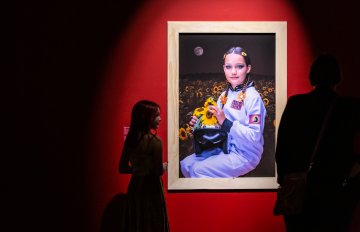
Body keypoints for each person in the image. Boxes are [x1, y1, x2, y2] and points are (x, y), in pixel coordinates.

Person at [275, 54, 360, 231]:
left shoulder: (296, 104)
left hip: (300, 188)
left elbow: (282, 145)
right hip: (335, 187)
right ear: (338, 77)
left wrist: (284, 178)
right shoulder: (349, 106)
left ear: (312, 75)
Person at [180, 46, 267, 178]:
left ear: (248, 68)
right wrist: (199, 124)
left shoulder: (253, 97)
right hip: (223, 147)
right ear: (223, 69)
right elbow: (216, 126)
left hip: (245, 154)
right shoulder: (223, 96)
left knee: (198, 171)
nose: (233, 72)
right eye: (228, 67)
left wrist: (225, 122)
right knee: (185, 165)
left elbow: (254, 137)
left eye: (239, 66)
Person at [118, 100, 169, 232]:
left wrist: (138, 169)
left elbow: (122, 168)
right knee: (152, 222)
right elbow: (157, 171)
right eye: (157, 115)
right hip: (151, 188)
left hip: (136, 186)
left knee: (137, 221)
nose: (160, 118)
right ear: (147, 118)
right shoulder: (155, 142)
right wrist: (165, 166)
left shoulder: (131, 141)